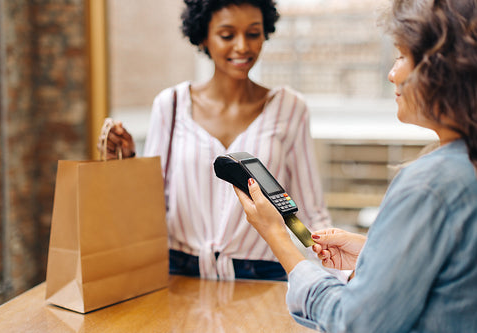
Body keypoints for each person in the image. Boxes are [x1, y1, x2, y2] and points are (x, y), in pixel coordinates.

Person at [233, 0, 477, 331]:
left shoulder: (428, 183)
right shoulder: (464, 167)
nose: (392, 74)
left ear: (441, 68)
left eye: (402, 56)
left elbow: (355, 323)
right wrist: (373, 255)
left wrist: (276, 236)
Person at [100, 0, 331, 281]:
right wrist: (125, 165)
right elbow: (153, 202)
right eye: (227, 35)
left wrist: (337, 270)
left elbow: (309, 209)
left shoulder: (290, 107)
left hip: (265, 273)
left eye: (253, 33)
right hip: (178, 273)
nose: (242, 46)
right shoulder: (171, 105)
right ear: (203, 37)